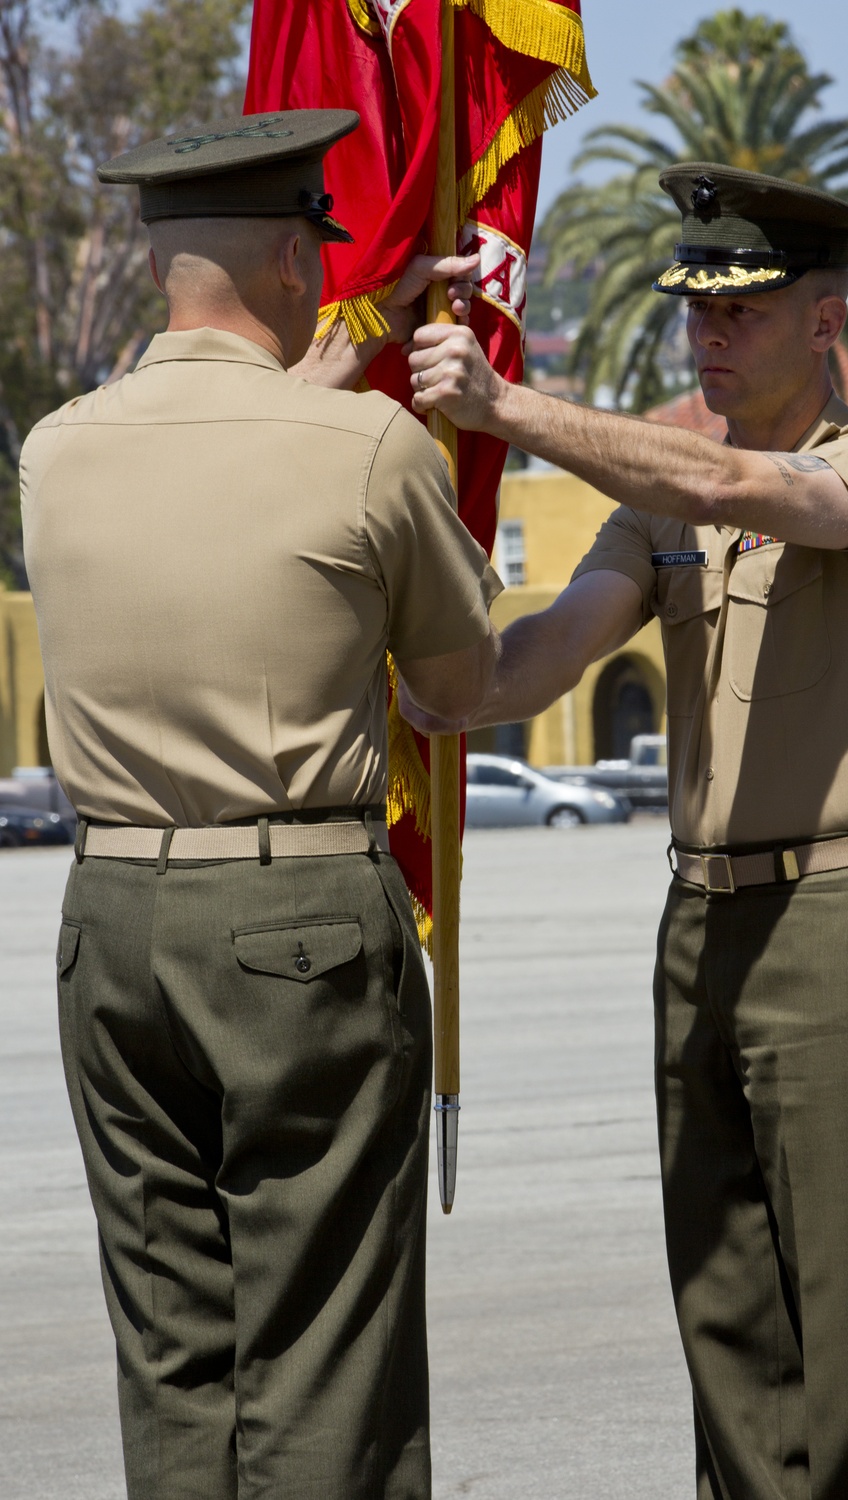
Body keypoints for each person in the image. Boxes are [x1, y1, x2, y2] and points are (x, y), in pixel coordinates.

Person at [402, 163, 848, 1500]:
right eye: (693, 314)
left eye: (741, 312)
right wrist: (409, 632)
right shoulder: (657, 511)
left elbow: (737, 489)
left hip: (845, 926)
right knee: (726, 1325)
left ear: (827, 322)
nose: (706, 335)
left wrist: (510, 407)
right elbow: (526, 667)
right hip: (702, 920)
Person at [21, 109, 500, 1499]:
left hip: (108, 917)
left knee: (175, 1345)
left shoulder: (56, 451)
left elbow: (226, 454)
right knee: (324, 1341)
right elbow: (454, 690)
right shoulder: (366, 449)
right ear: (300, 257)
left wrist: (340, 360)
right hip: (298, 924)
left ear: (165, 266)